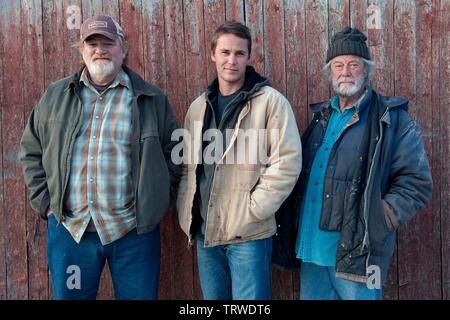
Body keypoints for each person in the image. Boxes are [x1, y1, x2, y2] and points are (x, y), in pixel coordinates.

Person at [19, 15, 180, 300]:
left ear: (123, 48)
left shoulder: (151, 98)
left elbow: (175, 155)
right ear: (81, 50)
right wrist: (46, 204)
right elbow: (31, 150)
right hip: (71, 233)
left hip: (133, 233)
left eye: (108, 42)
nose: (100, 49)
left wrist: (156, 201)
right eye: (91, 43)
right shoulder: (56, 96)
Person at [273, 26, 432, 300]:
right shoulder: (321, 117)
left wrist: (376, 220)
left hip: (359, 255)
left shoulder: (391, 120)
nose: (345, 71)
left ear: (366, 70)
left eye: (353, 64)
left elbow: (416, 183)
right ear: (330, 72)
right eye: (338, 65)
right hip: (311, 251)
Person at [176, 21, 302, 300]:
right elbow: (187, 166)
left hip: (248, 235)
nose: (231, 60)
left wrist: (253, 210)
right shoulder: (198, 107)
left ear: (248, 57)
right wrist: (187, 207)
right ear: (213, 55)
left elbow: (287, 163)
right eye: (224, 52)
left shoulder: (271, 102)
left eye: (239, 53)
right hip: (205, 234)